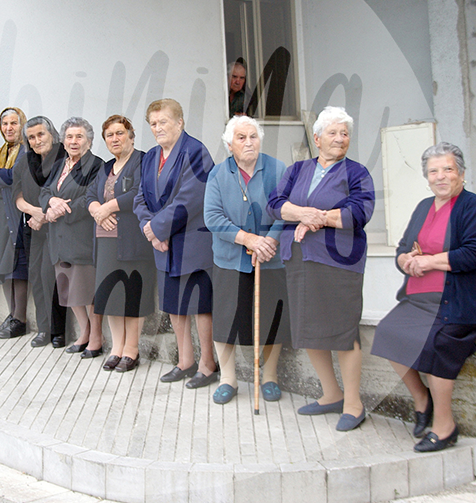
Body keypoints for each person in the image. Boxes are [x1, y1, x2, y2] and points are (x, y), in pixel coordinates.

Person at [371, 143, 476, 452]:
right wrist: (405, 261)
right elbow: (403, 247)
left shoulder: (473, 207)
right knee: (388, 333)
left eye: (448, 170)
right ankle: (421, 400)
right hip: (420, 298)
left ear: (462, 174)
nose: (440, 177)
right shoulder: (424, 207)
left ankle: (445, 426)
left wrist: (429, 261)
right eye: (433, 171)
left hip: (459, 301)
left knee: (439, 343)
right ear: (427, 177)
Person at [268, 106, 374, 431]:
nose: (340, 139)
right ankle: (332, 394)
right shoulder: (297, 169)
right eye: (333, 133)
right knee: (308, 328)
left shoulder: (357, 173)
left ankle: (354, 405)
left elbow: (358, 214)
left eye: (345, 134)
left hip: (339, 262)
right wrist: (302, 213)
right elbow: (275, 204)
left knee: (342, 330)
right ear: (317, 138)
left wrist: (317, 218)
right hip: (299, 259)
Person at [203, 116, 289, 404]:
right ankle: (229, 379)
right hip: (230, 259)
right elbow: (213, 217)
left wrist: (268, 242)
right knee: (226, 319)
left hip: (270, 258)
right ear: (230, 144)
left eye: (253, 136)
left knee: (270, 318)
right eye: (241, 137)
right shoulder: (218, 174)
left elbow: (285, 211)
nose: (249, 142)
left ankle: (270, 377)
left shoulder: (277, 169)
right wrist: (249, 240)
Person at [134, 99, 217, 388]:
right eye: (153, 124)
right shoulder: (150, 157)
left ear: (179, 123)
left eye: (163, 122)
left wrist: (157, 229)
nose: (157, 128)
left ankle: (208, 365)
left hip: (192, 241)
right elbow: (139, 196)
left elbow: (192, 197)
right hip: (163, 244)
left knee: (199, 305)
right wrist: (150, 229)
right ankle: (185, 361)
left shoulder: (196, 151)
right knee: (174, 305)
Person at [86, 115, 155, 373]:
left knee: (132, 294)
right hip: (105, 242)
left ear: (131, 136)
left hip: (133, 241)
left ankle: (132, 350)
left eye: (119, 133)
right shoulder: (105, 167)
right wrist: (96, 210)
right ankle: (117, 347)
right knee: (111, 295)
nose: (115, 139)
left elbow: (140, 192)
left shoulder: (143, 160)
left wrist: (107, 208)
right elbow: (90, 195)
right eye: (110, 135)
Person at [40, 118, 104, 357]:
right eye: (69, 137)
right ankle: (85, 333)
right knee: (70, 292)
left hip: (80, 237)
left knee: (87, 292)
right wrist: (50, 202)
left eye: (79, 137)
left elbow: (90, 197)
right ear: (63, 141)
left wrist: (60, 210)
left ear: (89, 140)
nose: (74, 141)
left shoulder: (96, 165)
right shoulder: (59, 164)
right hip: (58, 238)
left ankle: (96, 338)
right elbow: (45, 190)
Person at [14, 117, 68, 348]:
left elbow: (69, 194)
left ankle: (59, 331)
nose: (37, 141)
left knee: (54, 278)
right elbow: (17, 196)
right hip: (33, 227)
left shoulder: (65, 157)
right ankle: (43, 328)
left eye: (41, 135)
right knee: (36, 276)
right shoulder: (25, 162)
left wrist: (43, 216)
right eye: (32, 137)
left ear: (52, 134)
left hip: (60, 228)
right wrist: (33, 212)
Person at [0, 107, 30, 339]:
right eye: (4, 124)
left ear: (22, 125)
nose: (9, 128)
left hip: (17, 215)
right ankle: (11, 316)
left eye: (14, 123)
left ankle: (20, 319)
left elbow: (16, 176)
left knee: (15, 268)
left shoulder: (27, 150)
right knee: (3, 267)